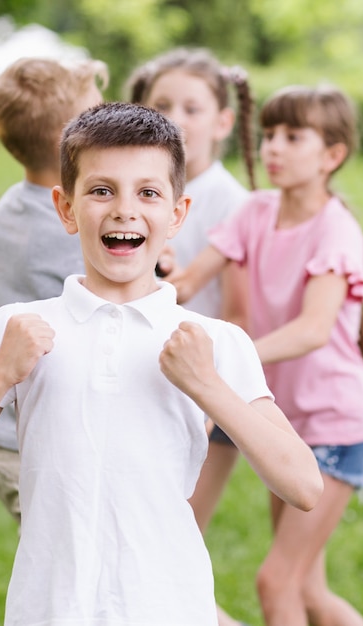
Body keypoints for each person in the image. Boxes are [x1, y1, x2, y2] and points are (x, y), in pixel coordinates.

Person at [0, 102, 323, 626]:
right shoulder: (18, 330)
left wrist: (208, 387)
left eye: (148, 192)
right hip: (48, 612)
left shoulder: (215, 343)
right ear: (65, 208)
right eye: (101, 190)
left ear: (177, 214)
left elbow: (304, 486)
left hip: (170, 609)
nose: (125, 209)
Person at [166, 86, 363, 626]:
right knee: (307, 589)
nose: (273, 148)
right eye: (267, 135)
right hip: (286, 425)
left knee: (277, 581)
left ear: (332, 155)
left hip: (335, 425)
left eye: (292, 136)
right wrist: (149, 260)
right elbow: (190, 280)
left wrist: (230, 358)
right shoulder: (255, 212)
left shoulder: (337, 229)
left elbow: (312, 330)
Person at [126, 48, 257, 626]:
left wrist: (205, 408)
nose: (176, 118)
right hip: (148, 388)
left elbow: (239, 319)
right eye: (162, 105)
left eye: (192, 107)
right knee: (147, 561)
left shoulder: (233, 203)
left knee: (166, 558)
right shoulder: (138, 191)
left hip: (206, 398)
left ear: (223, 122)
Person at [0, 56, 107, 523]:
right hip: (42, 450)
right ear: (69, 143)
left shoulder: (17, 204)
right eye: (98, 116)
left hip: (19, 438)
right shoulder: (64, 230)